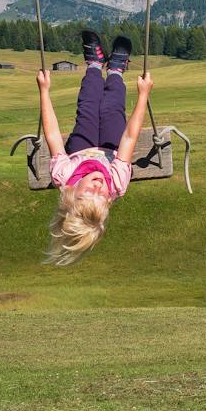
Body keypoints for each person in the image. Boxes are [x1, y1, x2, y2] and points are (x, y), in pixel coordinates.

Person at [36, 31, 154, 266]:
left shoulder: (64, 176)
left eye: (89, 192)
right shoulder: (117, 183)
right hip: (112, 150)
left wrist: (44, 91)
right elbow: (130, 137)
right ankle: (115, 71)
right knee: (111, 109)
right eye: (102, 196)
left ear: (71, 194)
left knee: (88, 105)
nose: (99, 187)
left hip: (80, 149)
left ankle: (94, 65)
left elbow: (51, 135)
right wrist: (143, 95)